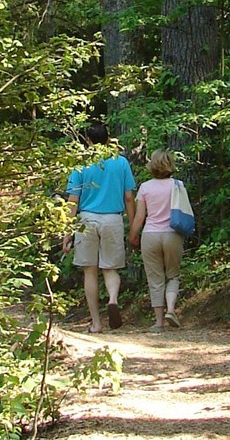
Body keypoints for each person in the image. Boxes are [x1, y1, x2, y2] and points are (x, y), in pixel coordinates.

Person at [63, 123, 136, 333]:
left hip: (86, 219)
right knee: (110, 268)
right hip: (112, 219)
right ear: (108, 138)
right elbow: (129, 197)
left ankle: (96, 323)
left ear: (86, 140)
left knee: (90, 271)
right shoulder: (120, 162)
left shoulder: (80, 164)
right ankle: (112, 298)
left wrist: (67, 233)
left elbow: (73, 201)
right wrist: (133, 227)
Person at [128, 149, 184, 332]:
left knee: (155, 279)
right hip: (172, 234)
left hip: (150, 235)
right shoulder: (178, 185)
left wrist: (133, 235)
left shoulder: (145, 187)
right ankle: (171, 309)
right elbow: (184, 211)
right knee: (173, 275)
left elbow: (139, 217)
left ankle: (159, 322)